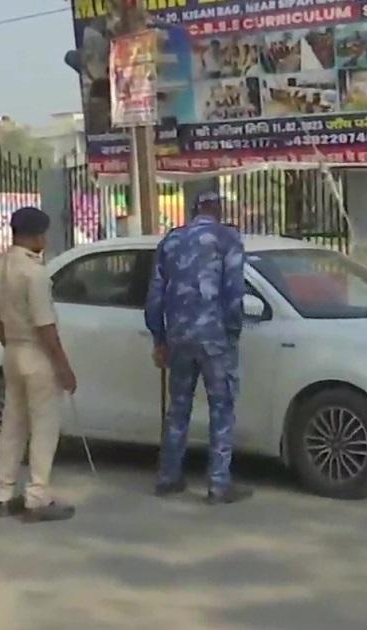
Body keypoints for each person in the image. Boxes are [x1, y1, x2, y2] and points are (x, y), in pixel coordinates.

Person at [145, 191, 251, 505]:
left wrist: (159, 338)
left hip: (178, 337)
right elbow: (234, 292)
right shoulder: (227, 238)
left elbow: (155, 296)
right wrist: (232, 333)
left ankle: (168, 477)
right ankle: (218, 484)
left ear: (194, 210)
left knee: (178, 408)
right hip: (215, 338)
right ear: (218, 210)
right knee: (222, 408)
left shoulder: (171, 241)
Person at [0, 207, 77, 523]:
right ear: (37, 235)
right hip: (37, 353)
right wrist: (63, 367)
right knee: (43, 428)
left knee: (12, 426)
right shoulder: (34, 273)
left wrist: (12, 347)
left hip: (12, 350)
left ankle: (4, 494)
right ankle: (37, 497)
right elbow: (45, 327)